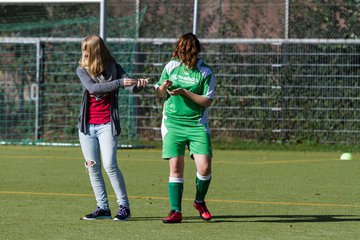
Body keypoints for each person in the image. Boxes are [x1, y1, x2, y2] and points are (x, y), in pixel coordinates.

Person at [76, 35, 148, 221]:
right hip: (87, 127)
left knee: (110, 165)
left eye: (87, 49)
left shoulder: (114, 67)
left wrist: (139, 84)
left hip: (107, 125)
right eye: (83, 48)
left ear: (96, 51)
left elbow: (129, 87)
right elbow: (93, 89)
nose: (84, 52)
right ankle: (103, 208)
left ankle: (124, 207)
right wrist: (120, 83)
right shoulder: (81, 70)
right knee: (93, 167)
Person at [154, 33, 216, 223]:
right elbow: (158, 92)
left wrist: (185, 92)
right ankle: (176, 211)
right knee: (175, 166)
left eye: (187, 52)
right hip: (172, 123)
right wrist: (163, 87)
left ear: (195, 52)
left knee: (204, 168)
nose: (183, 55)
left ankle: (199, 201)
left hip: (196, 125)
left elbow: (206, 101)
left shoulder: (206, 72)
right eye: (180, 51)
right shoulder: (171, 66)